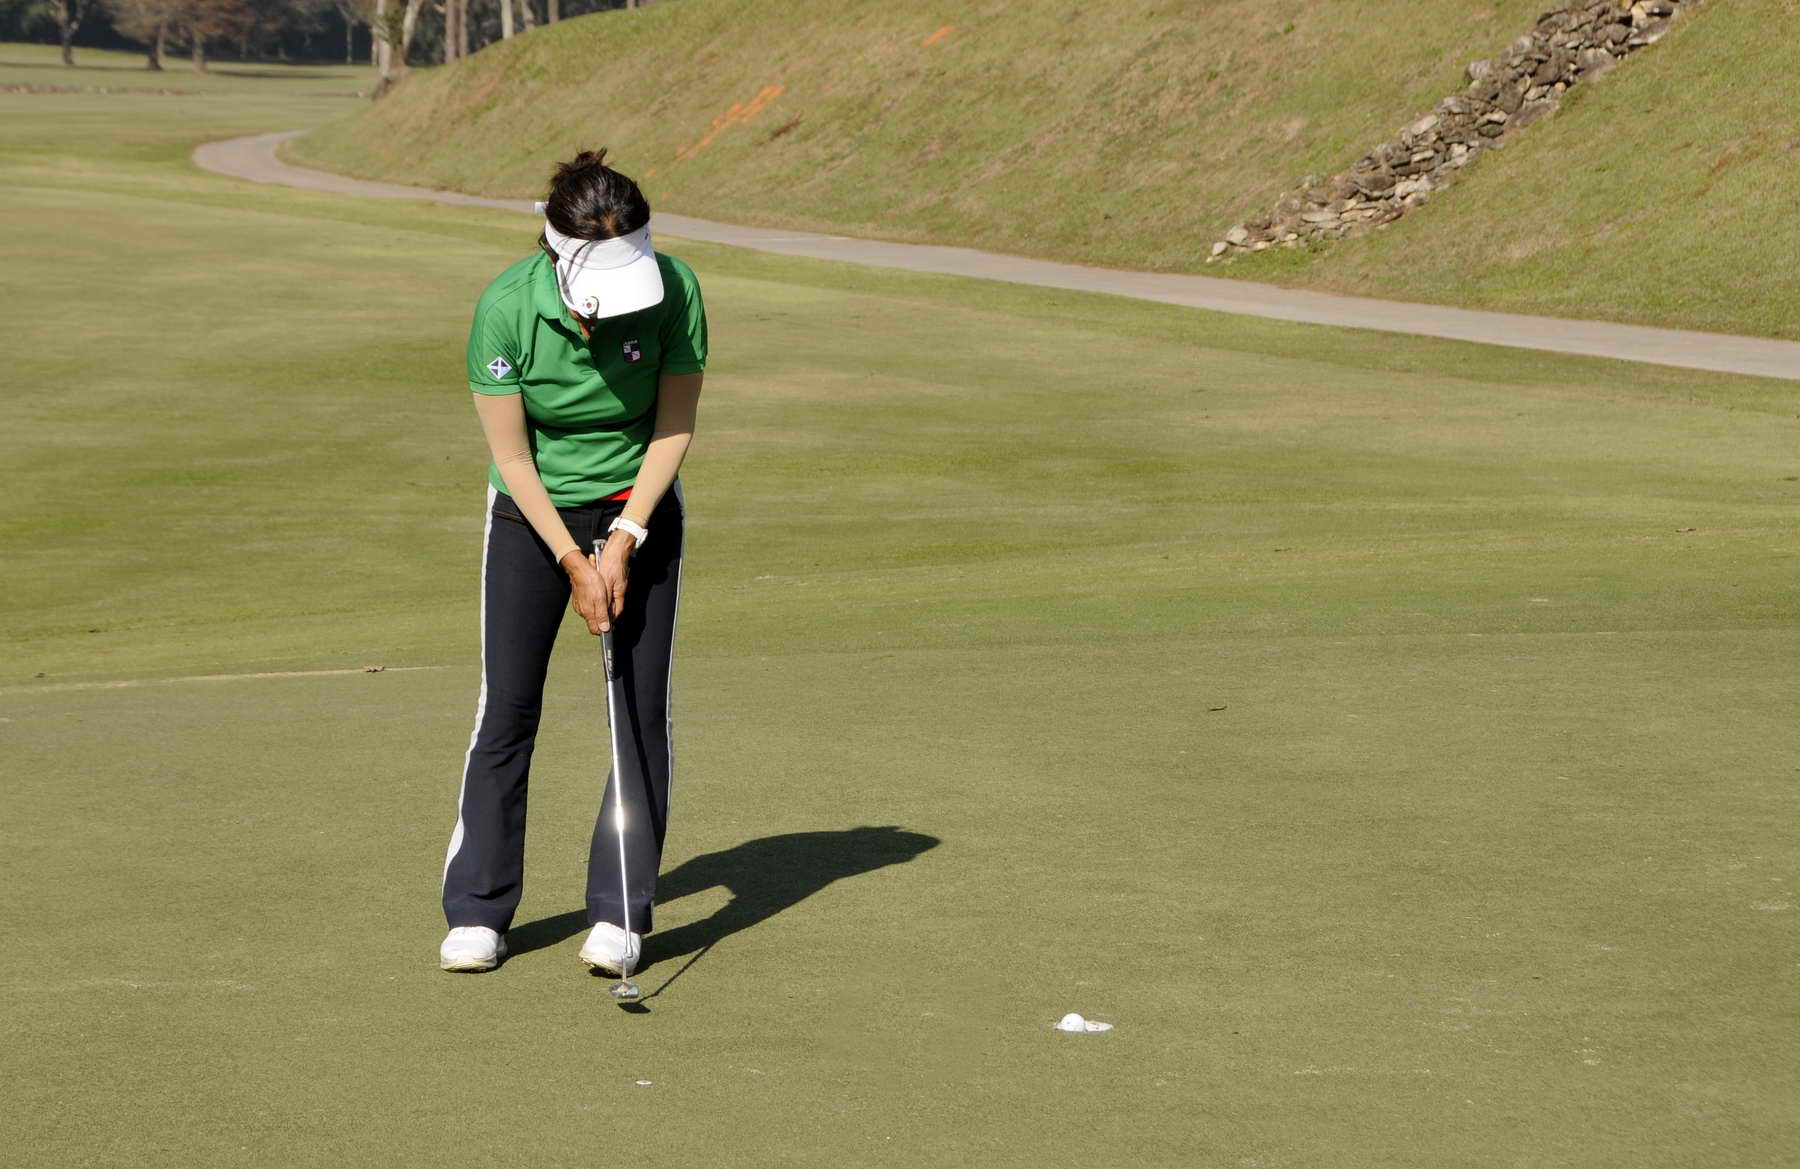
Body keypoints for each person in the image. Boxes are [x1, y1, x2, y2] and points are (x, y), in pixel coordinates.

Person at [437, 148, 707, 975]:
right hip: (531, 515)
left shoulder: (675, 289)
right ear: (558, 257)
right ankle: (478, 909)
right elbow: (512, 457)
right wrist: (571, 556)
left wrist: (623, 538)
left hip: (640, 507)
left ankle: (621, 910)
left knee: (637, 710)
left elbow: (673, 425)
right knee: (508, 708)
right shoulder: (506, 307)